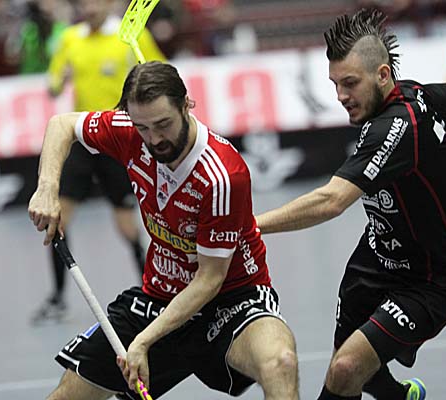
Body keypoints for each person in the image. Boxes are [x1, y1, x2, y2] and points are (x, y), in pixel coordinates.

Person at [28, 61, 299, 399]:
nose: (154, 139)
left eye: (163, 124)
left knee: (280, 363)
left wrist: (143, 341)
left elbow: (209, 280)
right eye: (142, 127)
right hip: (159, 298)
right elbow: (62, 124)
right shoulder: (130, 132)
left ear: (187, 104)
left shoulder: (221, 177)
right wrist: (47, 188)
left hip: (231, 300)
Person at [256, 9, 446, 400]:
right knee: (354, 368)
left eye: (350, 83)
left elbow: (331, 200)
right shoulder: (420, 92)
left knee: (346, 368)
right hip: (380, 255)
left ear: (382, 75)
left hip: (437, 276)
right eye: (335, 84)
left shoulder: (397, 126)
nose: (340, 96)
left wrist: (249, 225)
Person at [31, 0, 166, 324]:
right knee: (57, 219)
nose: (89, 7)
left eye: (96, 1)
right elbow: (52, 85)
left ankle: (155, 294)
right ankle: (58, 298)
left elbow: (162, 76)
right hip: (83, 136)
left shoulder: (132, 35)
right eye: (84, 2)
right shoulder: (70, 39)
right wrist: (59, 79)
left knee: (127, 225)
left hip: (119, 138)